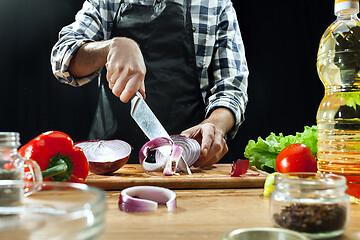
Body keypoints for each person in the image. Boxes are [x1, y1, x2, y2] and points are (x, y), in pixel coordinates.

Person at [51, 0, 248, 167]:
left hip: (186, 164)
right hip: (111, 167)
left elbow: (231, 89)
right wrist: (111, 47)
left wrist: (214, 126)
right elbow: (62, 57)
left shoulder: (216, 4)